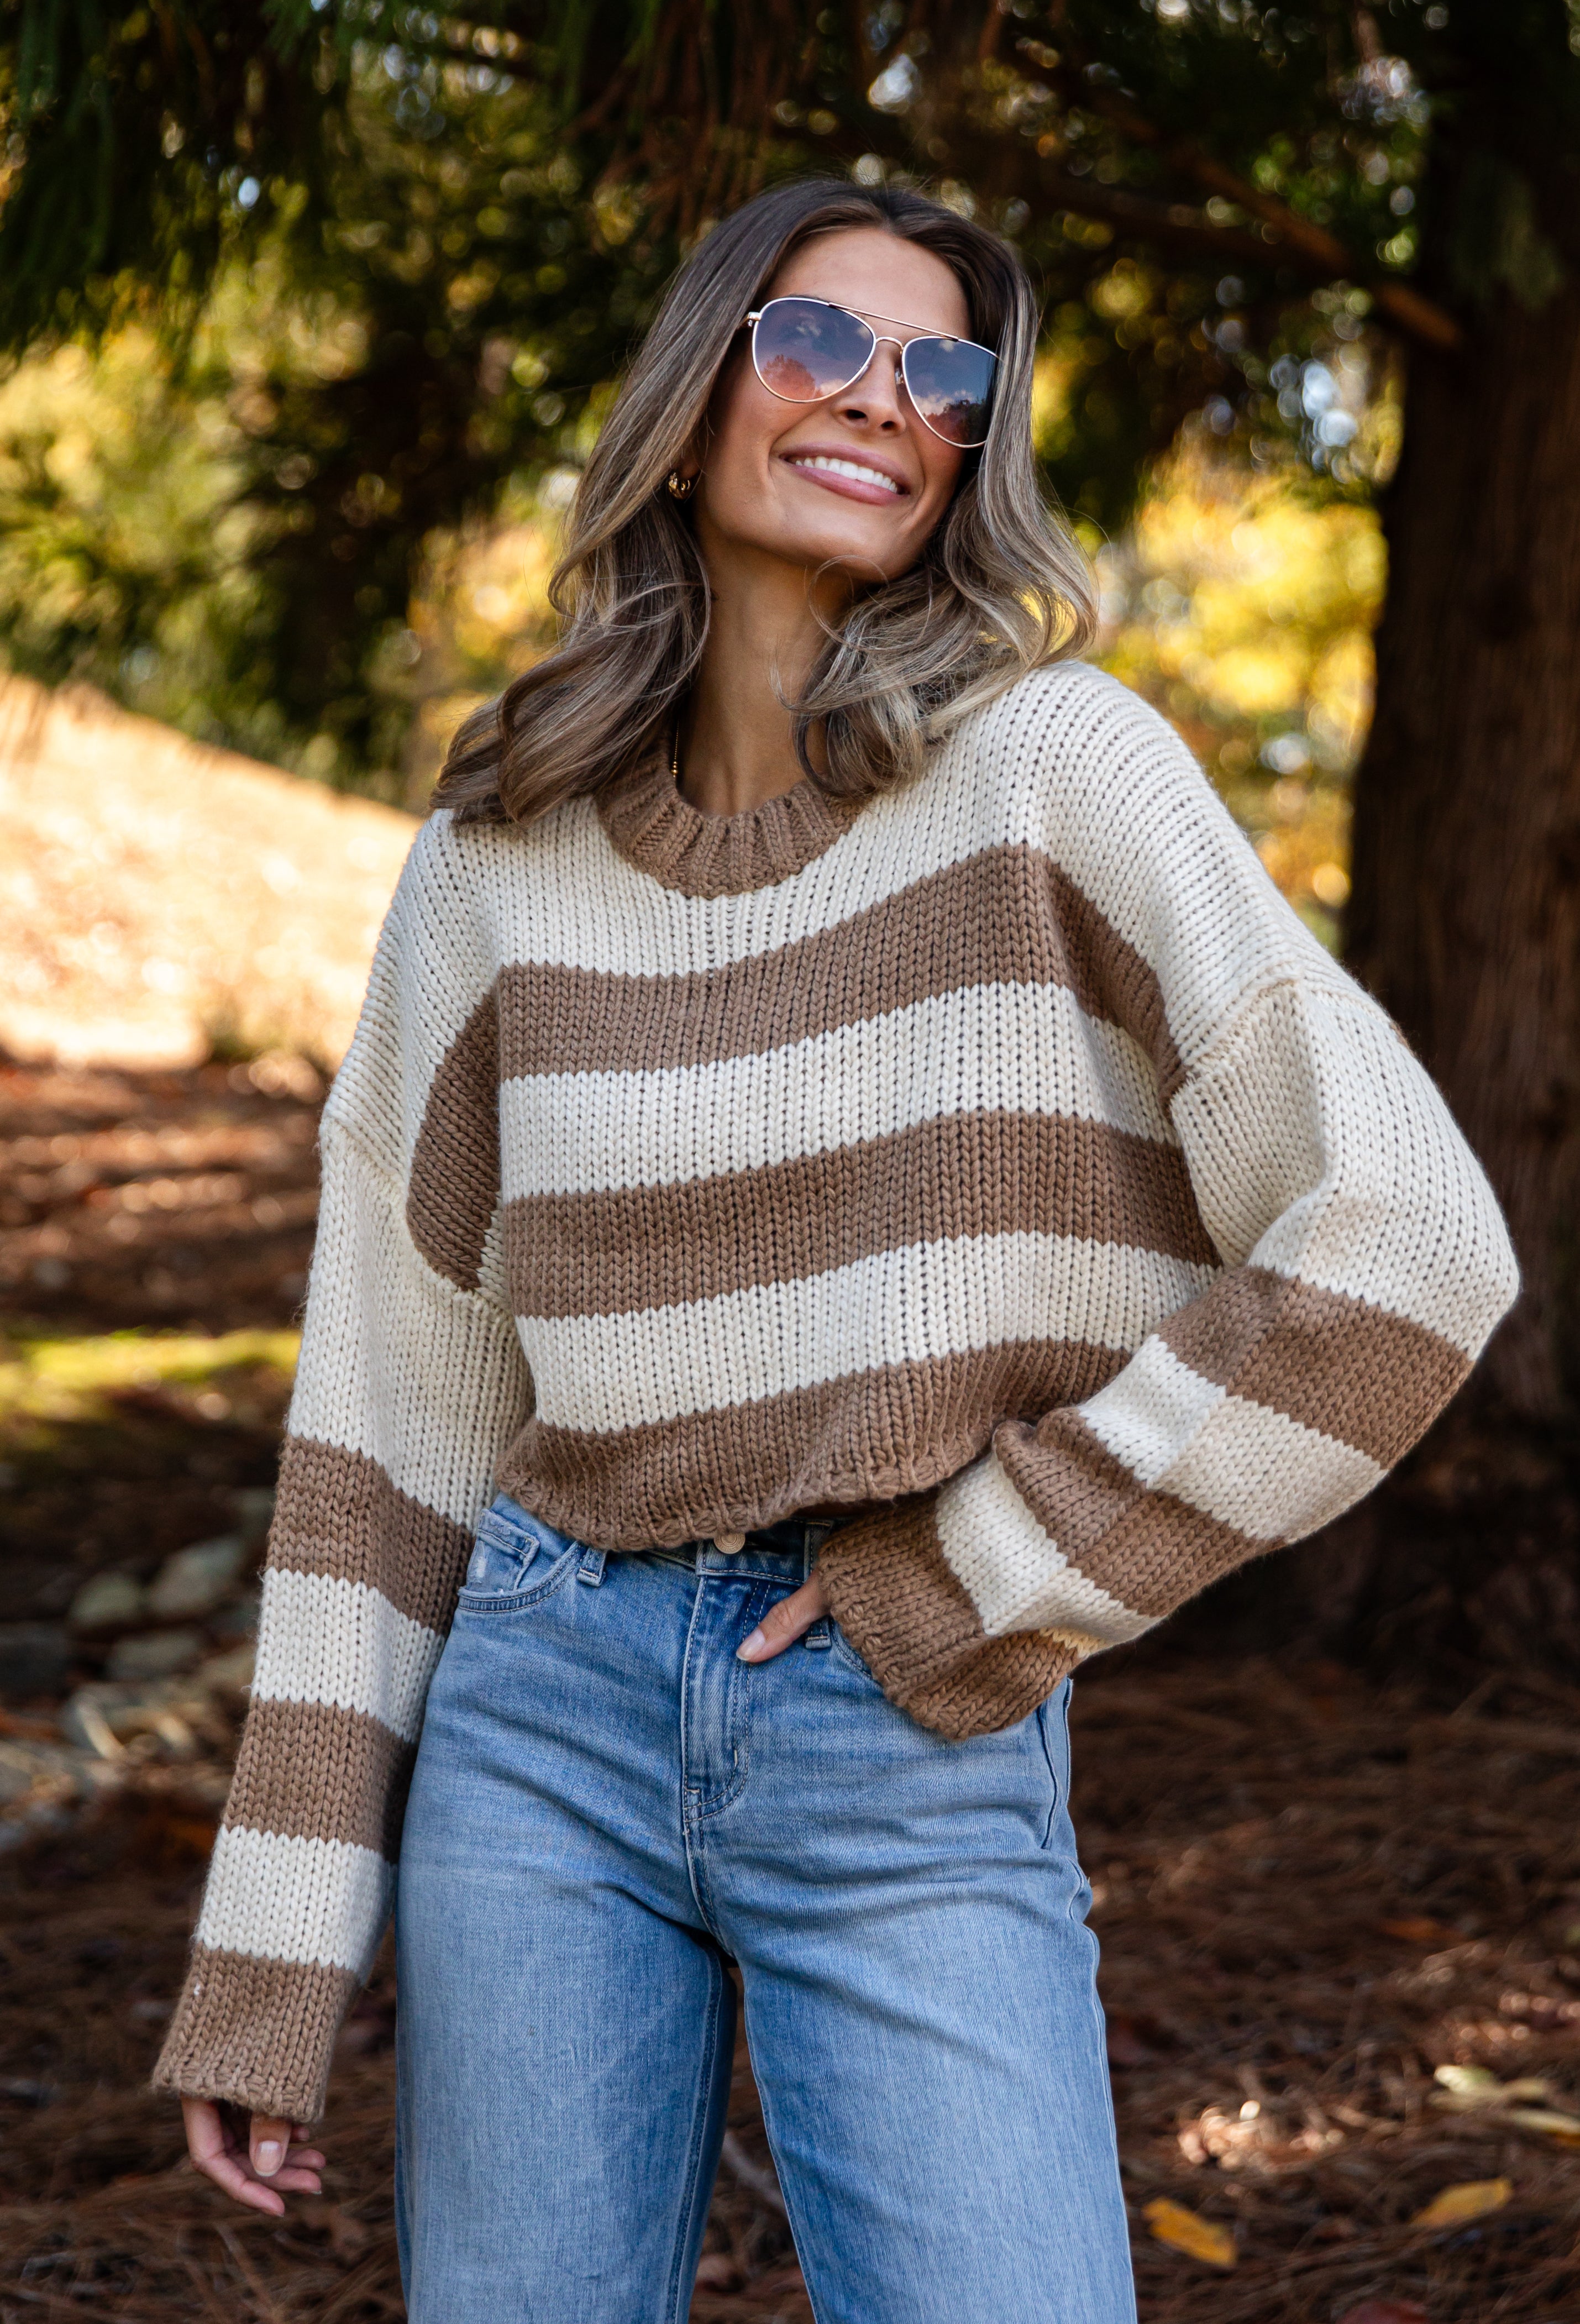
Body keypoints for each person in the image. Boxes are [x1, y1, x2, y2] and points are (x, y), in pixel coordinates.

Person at [155, 178, 1518, 2323]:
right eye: (818, 343)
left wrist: (990, 1577)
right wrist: (270, 1953)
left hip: (904, 1719)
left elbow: (1412, 1242)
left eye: (944, 371)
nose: (882, 398)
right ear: (698, 394)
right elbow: (391, 1418)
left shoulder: (1059, 775)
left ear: (976, 447)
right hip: (541, 1714)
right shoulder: (495, 852)